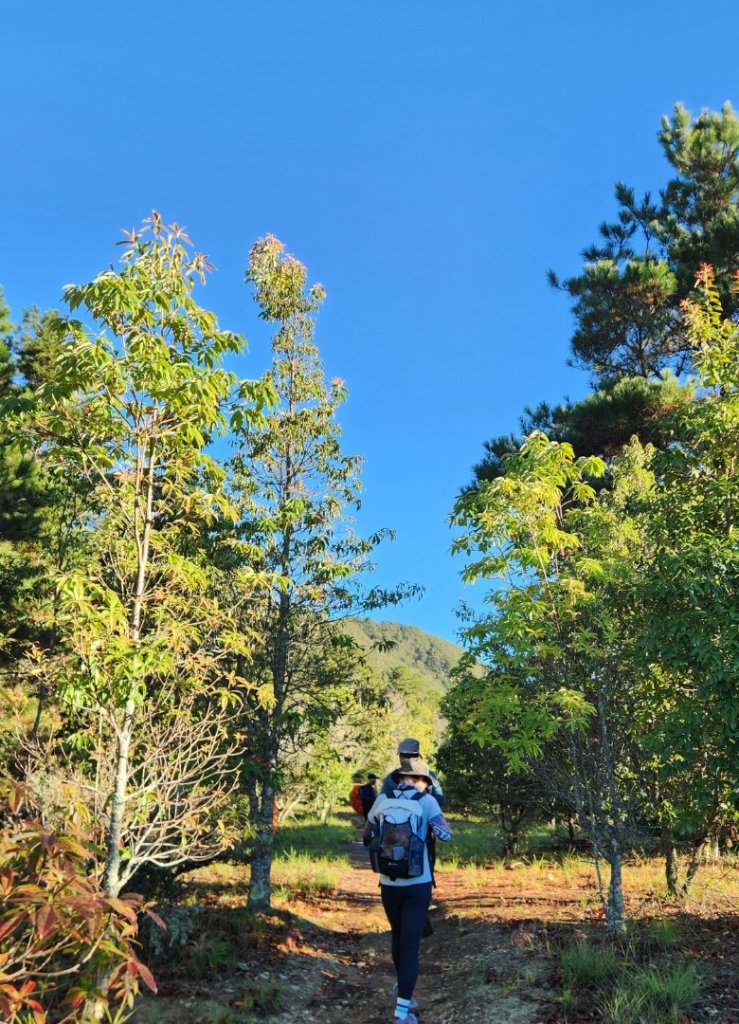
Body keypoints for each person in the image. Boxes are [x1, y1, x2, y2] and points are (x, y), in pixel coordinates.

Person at [365, 758, 452, 1024]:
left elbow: (367, 836)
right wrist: (433, 827)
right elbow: (446, 834)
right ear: (423, 780)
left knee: (398, 936)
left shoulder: (382, 799)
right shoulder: (426, 801)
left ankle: (403, 988)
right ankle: (402, 1012)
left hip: (389, 883)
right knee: (411, 945)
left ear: (399, 777)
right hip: (418, 882)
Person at [380, 738, 445, 809]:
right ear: (417, 756)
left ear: (401, 757)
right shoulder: (430, 775)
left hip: (397, 818)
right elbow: (440, 799)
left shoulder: (391, 777)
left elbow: (382, 801)